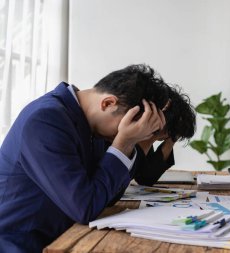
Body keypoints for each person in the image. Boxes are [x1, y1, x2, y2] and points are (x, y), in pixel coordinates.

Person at [0, 64, 174, 253]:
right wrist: (125, 142)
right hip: (21, 245)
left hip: (63, 237)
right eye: (133, 125)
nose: (129, 133)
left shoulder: (92, 122)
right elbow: (85, 207)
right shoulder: (45, 120)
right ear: (108, 103)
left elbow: (109, 198)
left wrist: (130, 142)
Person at [132, 85, 196, 186]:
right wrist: (154, 135)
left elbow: (145, 178)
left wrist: (171, 140)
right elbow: (118, 181)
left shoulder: (146, 136)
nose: (165, 137)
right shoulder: (111, 137)